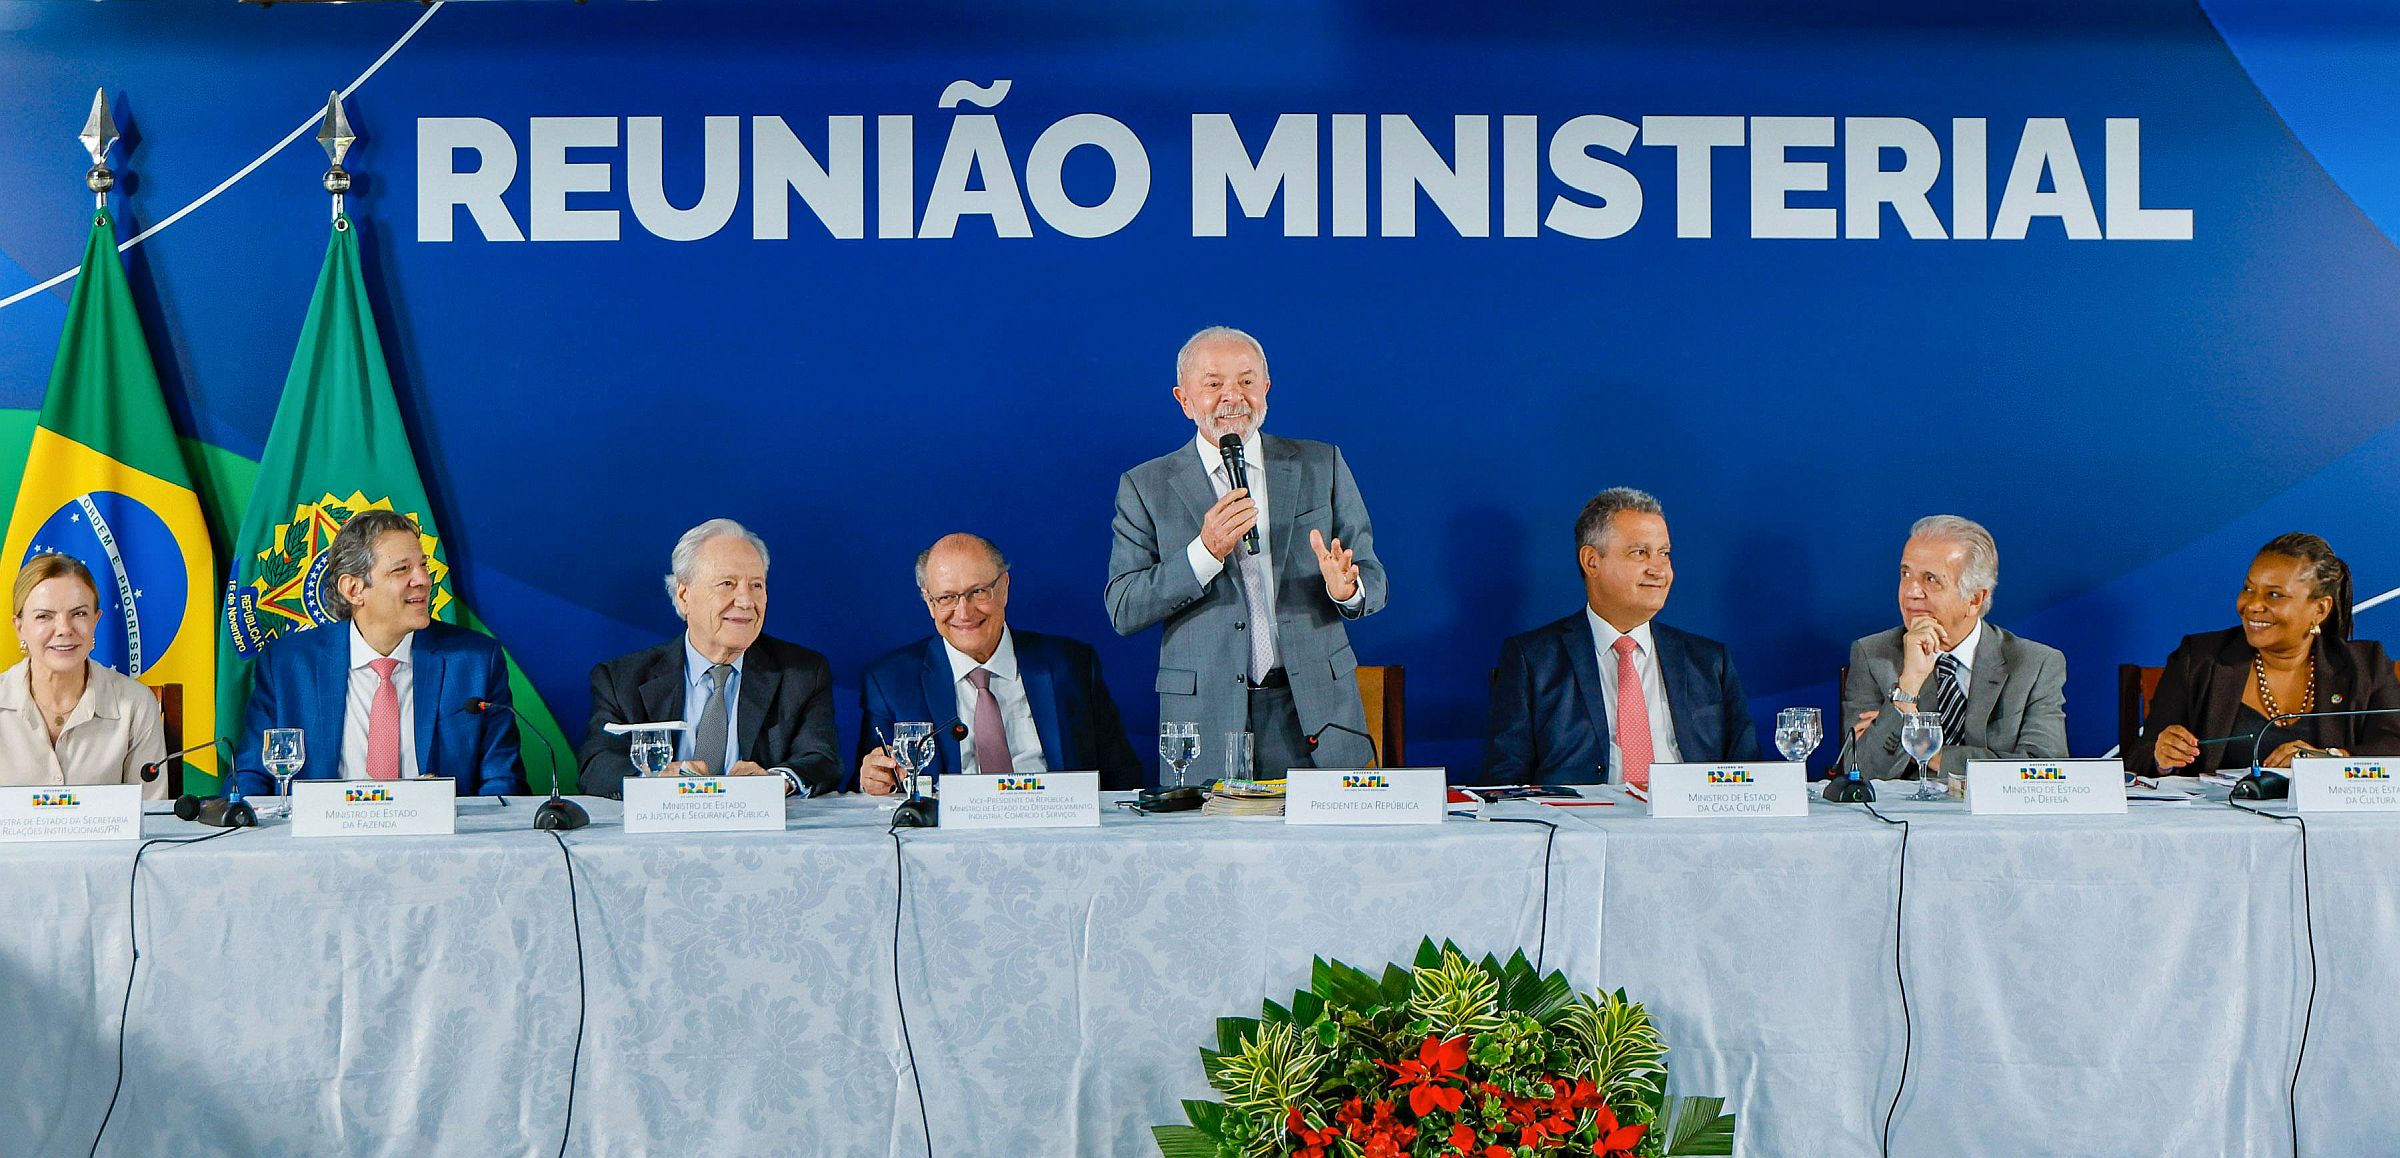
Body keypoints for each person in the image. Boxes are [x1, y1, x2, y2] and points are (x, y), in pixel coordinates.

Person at [1106, 326, 1387, 777]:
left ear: (1266, 390)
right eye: (1214, 384)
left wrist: (1347, 589)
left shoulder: (1321, 463)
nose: (1232, 396)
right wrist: (1205, 552)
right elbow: (1123, 607)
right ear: (1184, 399)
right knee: (1212, 849)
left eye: (1247, 381)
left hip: (1315, 709)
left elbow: (1371, 576)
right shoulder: (1145, 486)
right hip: (1205, 716)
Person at [232, 510, 523, 796]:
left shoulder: (475, 662)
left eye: (423, 565)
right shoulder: (288, 665)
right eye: (402, 569)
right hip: (321, 841)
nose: (423, 579)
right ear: (354, 589)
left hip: (442, 841)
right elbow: (251, 777)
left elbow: (503, 783)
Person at [1481, 489, 1758, 787]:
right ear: (1592, 562)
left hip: (1692, 826)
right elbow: (1504, 787)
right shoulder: (1533, 660)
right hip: (1581, 827)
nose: (1658, 569)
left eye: (1664, 553)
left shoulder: (1710, 662)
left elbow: (1749, 777)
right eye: (1639, 553)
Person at [856, 533, 1142, 794]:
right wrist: (877, 780)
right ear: (929, 602)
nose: (964, 612)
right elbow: (876, 786)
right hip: (944, 844)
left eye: (978, 592)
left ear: (1004, 587)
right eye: (946, 598)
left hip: (1059, 835)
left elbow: (1123, 778)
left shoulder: (1071, 666)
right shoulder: (890, 682)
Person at [577, 518, 840, 799]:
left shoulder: (801, 673)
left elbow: (821, 758)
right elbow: (596, 763)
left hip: (761, 835)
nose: (746, 601)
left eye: (756, 586)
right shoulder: (622, 679)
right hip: (659, 832)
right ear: (683, 595)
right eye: (727, 583)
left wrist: (775, 781)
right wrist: (652, 781)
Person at [2135, 532, 2400, 776]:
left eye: (2274, 595)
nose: (2251, 605)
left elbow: (2394, 745)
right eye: (2248, 589)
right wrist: (2162, 757)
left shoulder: (2365, 666)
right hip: (2220, 823)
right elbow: (2139, 757)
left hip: (2330, 826)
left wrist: (2331, 758)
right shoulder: (2199, 659)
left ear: (2320, 609)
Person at [1841, 515, 2067, 779]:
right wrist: (1908, 687)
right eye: (1906, 574)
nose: (1911, 591)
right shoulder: (1873, 655)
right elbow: (1861, 772)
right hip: (1905, 817)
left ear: (1975, 599)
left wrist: (1928, 752)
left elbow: (2045, 771)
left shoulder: (2035, 664)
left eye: (1931, 579)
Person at [0, 553, 167, 798]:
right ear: (20, 627)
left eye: (79, 614)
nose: (64, 629)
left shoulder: (136, 704)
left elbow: (151, 815)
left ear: (96, 621)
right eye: (44, 616)